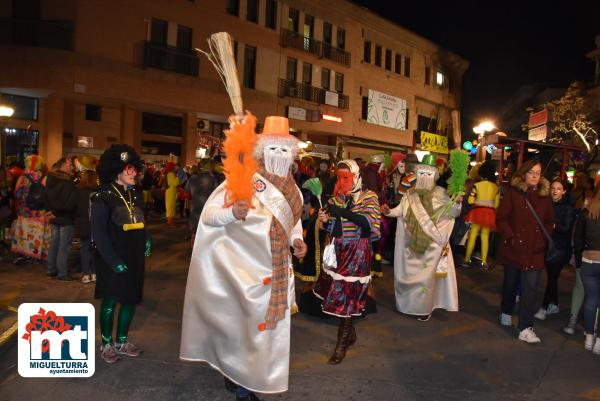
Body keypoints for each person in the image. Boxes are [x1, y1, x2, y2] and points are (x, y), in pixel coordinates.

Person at [180, 116, 307, 401]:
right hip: (244, 276)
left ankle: (248, 376)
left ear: (293, 154)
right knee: (244, 333)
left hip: (277, 272)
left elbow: (292, 222)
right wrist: (231, 213)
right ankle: (240, 385)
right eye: (273, 149)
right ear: (262, 152)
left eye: (285, 150)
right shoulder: (242, 181)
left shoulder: (294, 189)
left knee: (267, 335)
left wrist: (298, 240)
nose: (279, 156)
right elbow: (210, 217)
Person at [314, 159, 381, 363]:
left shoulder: (369, 196)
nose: (342, 182)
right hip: (338, 250)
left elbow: (368, 224)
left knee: (347, 297)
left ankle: (341, 345)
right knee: (337, 294)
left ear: (357, 177)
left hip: (358, 252)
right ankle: (349, 334)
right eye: (339, 178)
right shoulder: (337, 199)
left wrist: (341, 212)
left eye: (347, 178)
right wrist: (326, 221)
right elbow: (334, 229)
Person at [382, 154, 461, 321]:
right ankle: (406, 306)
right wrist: (389, 211)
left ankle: (424, 309)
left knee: (425, 280)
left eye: (428, 173)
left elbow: (453, 213)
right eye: (422, 173)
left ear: (435, 175)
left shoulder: (441, 194)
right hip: (408, 244)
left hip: (431, 245)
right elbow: (400, 211)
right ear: (417, 174)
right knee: (407, 277)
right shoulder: (409, 194)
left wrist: (458, 202)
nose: (424, 177)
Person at [92, 144, 151, 364]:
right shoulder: (102, 197)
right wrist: (113, 261)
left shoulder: (136, 195)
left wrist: (146, 239)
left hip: (134, 257)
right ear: (117, 171)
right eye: (129, 169)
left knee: (129, 300)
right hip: (111, 259)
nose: (134, 172)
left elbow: (142, 222)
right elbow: (98, 234)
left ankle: (121, 342)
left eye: (134, 168)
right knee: (110, 301)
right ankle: (106, 344)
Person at [496, 160, 553, 344]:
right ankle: (506, 310)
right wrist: (512, 237)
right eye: (532, 172)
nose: (536, 176)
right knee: (510, 285)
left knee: (530, 290)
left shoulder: (545, 197)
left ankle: (525, 328)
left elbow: (549, 222)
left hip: (535, 251)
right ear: (524, 174)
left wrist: (543, 240)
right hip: (515, 249)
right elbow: (501, 218)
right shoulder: (513, 194)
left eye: (538, 172)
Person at [534, 179, 575, 320]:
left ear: (564, 191)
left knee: (552, 277)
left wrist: (552, 225)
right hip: (549, 247)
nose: (555, 191)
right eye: (553, 188)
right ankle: (554, 304)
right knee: (553, 276)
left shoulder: (568, 208)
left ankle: (544, 307)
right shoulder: (547, 205)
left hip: (561, 249)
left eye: (558, 188)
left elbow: (566, 228)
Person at [573, 185, 600, 354]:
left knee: (591, 300)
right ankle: (599, 343)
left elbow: (578, 239)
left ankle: (589, 337)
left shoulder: (587, 210)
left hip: (588, 261)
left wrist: (578, 261)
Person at [11, 155, 52, 263]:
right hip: (40, 211)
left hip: (25, 211)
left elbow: (17, 194)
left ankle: (26, 254)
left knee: (25, 232)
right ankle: (38, 255)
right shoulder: (45, 177)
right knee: (38, 233)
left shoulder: (23, 177)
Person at [463, 160, 500, 269]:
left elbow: (470, 200)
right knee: (485, 237)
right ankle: (484, 262)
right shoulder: (496, 188)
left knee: (473, 235)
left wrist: (476, 200)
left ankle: (467, 259)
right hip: (489, 213)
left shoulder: (477, 185)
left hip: (477, 212)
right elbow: (496, 204)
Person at [46, 157, 78, 280]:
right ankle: (62, 273)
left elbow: (47, 198)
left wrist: (52, 212)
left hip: (54, 216)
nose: (72, 167)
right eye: (70, 164)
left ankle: (51, 269)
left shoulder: (50, 179)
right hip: (65, 218)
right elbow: (69, 204)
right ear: (64, 165)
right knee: (64, 246)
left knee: (54, 243)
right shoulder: (68, 182)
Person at [74, 155, 99, 284]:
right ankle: (94, 273)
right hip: (96, 223)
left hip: (84, 222)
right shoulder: (98, 186)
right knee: (95, 248)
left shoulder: (79, 186)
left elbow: (76, 206)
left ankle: (86, 274)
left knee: (85, 248)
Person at [184, 164, 215, 242]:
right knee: (205, 233)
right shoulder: (212, 179)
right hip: (207, 208)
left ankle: (193, 248)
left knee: (194, 231)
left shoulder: (193, 178)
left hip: (194, 207)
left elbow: (186, 192)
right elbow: (217, 193)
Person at [164, 161, 179, 226]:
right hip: (171, 191)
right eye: (174, 166)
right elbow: (175, 183)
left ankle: (169, 221)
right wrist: (178, 178)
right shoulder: (171, 174)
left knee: (170, 206)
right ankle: (170, 222)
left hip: (169, 191)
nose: (176, 167)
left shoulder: (169, 173)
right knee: (171, 206)